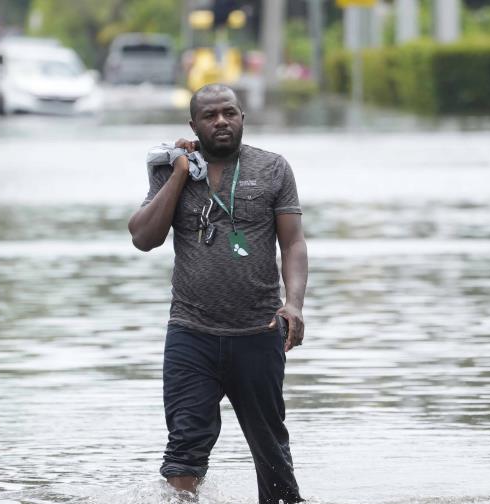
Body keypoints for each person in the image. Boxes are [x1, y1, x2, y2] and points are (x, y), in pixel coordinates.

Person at [128, 84, 308, 503]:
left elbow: (294, 242)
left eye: (229, 112)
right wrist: (177, 174)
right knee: (184, 450)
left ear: (242, 117)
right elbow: (143, 238)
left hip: (259, 332)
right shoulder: (172, 169)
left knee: (272, 454)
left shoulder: (273, 168)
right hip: (191, 334)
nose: (221, 121)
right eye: (210, 116)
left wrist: (294, 303)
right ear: (194, 125)